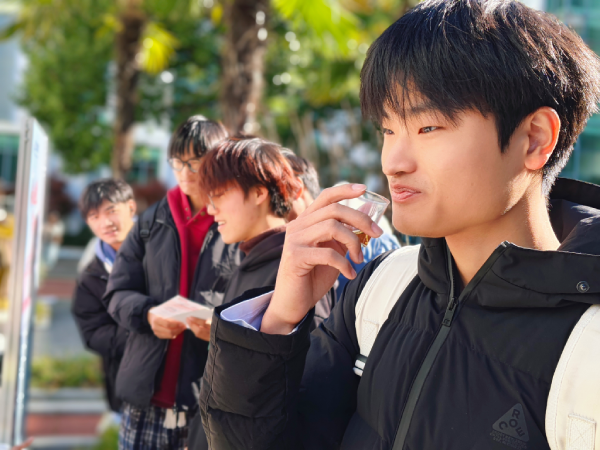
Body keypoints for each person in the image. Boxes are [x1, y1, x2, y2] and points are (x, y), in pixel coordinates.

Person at [197, 1, 600, 449]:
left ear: (535, 138)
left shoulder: (589, 347)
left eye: (428, 128)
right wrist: (278, 320)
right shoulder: (380, 288)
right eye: (388, 130)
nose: (393, 162)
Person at [105, 115, 240, 450]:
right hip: (145, 399)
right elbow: (117, 293)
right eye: (178, 162)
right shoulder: (149, 222)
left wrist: (221, 328)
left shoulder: (237, 224)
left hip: (207, 403)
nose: (184, 172)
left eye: (195, 162)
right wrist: (148, 314)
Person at [71, 179, 136, 413]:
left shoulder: (165, 248)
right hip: (128, 385)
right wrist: (143, 333)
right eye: (94, 216)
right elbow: (93, 332)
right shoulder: (90, 276)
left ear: (131, 207)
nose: (105, 223)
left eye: (111, 211)